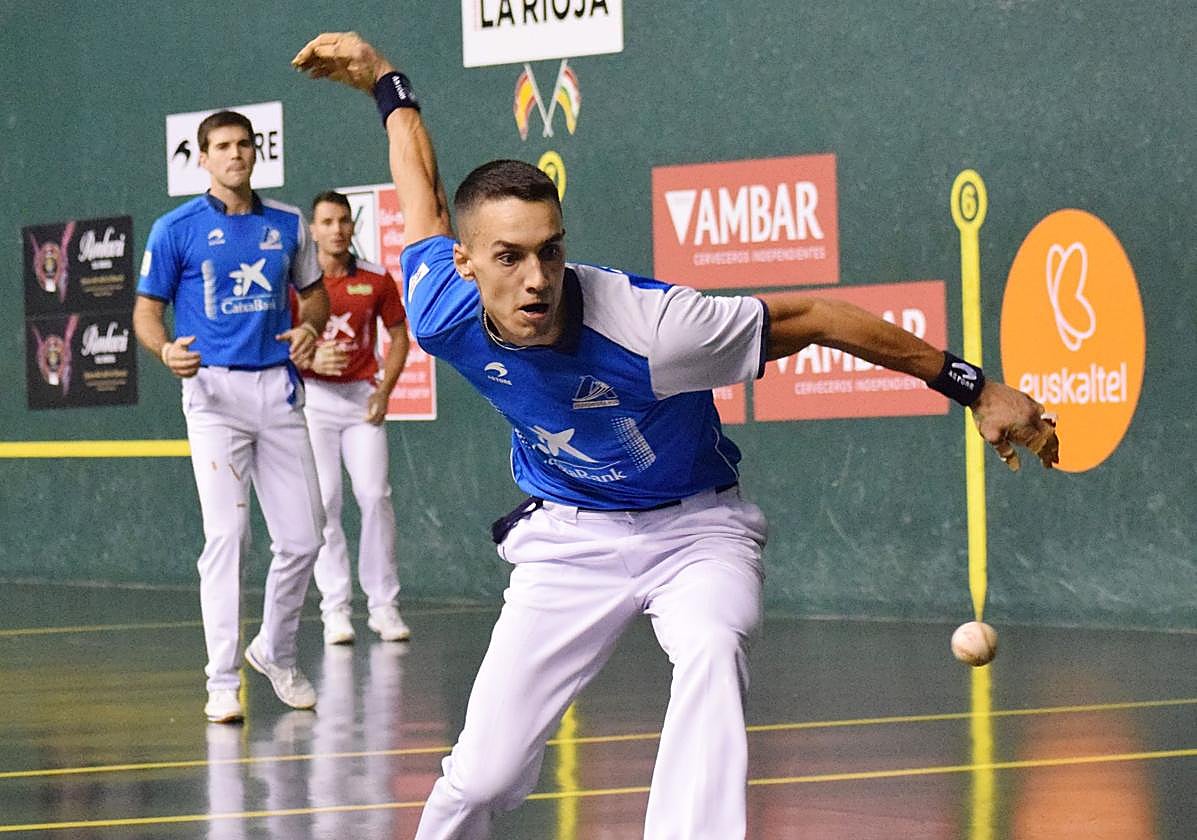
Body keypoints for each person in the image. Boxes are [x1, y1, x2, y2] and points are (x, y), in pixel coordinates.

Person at [294, 33, 1060, 840]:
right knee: (480, 774)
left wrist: (973, 387)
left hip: (696, 530)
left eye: (550, 252)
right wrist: (385, 82)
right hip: (566, 537)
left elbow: (818, 317)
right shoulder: (440, 304)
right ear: (466, 264)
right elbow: (421, 197)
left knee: (710, 648)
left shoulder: (656, 331)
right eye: (509, 257)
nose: (535, 278)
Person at [133, 110, 331, 724]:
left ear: (256, 152)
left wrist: (309, 327)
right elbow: (147, 311)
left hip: (278, 390)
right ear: (203, 158)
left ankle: (274, 649)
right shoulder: (175, 229)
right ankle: (222, 680)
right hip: (213, 398)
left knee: (304, 537)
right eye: (222, 147)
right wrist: (164, 349)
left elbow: (316, 295)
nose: (236, 155)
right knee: (228, 536)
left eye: (244, 145)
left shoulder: (289, 224)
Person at [296, 190, 412, 645]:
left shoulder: (377, 279)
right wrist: (306, 362)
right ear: (313, 230)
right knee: (325, 501)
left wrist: (385, 390)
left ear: (353, 226)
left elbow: (400, 337)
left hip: (362, 399)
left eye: (344, 221)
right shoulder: (297, 286)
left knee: (374, 495)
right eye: (327, 222)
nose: (337, 230)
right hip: (313, 403)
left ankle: (384, 607)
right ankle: (335, 610)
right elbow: (278, 341)